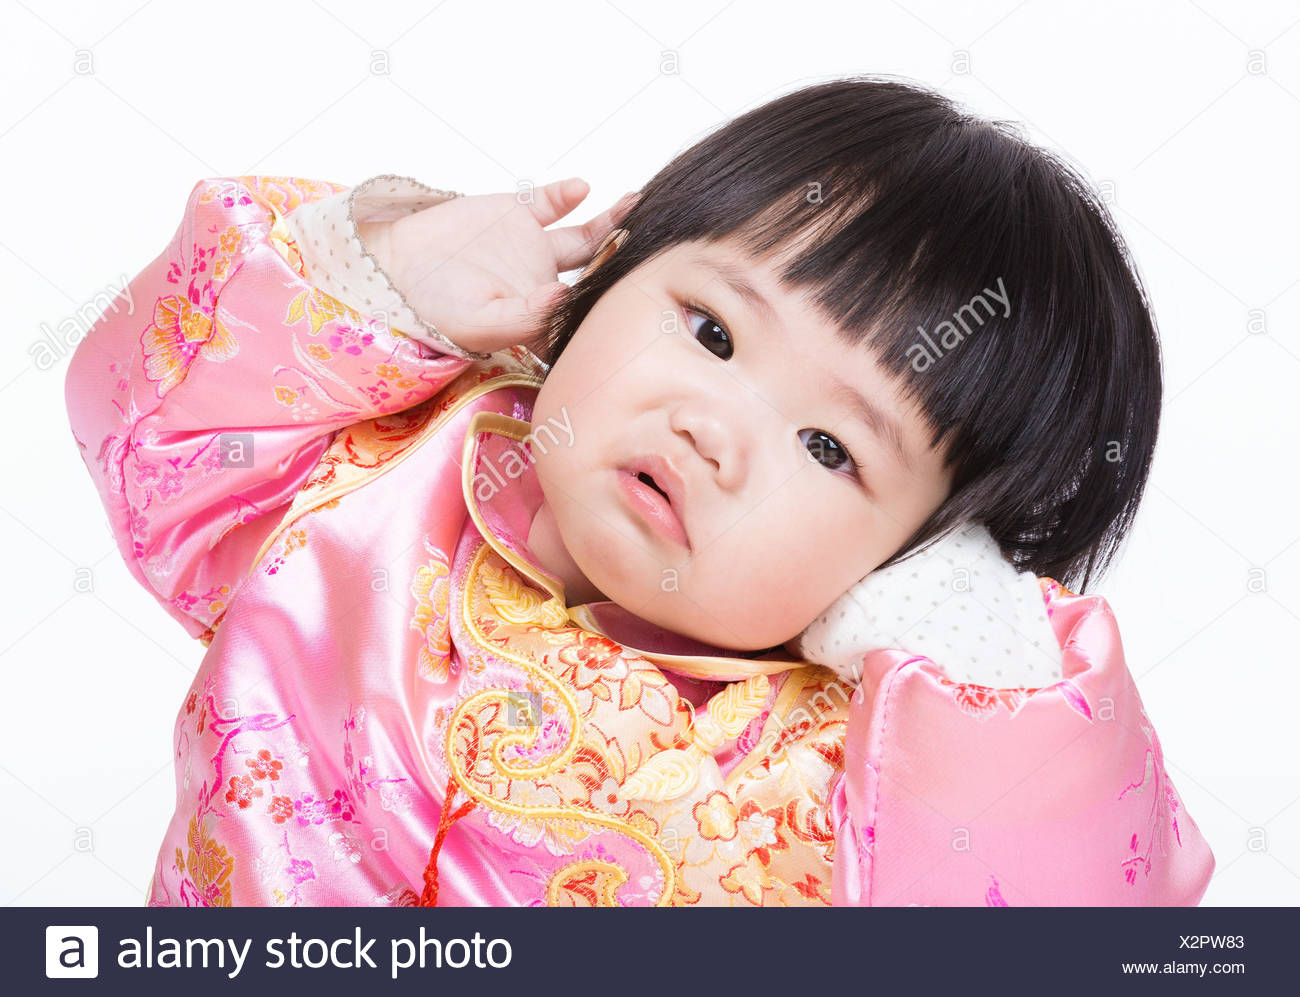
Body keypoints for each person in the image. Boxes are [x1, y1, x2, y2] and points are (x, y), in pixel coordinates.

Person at [64, 76, 1214, 906]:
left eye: (830, 449)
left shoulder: (862, 778)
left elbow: (1074, 923)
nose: (714, 429)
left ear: (917, 558)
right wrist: (380, 285)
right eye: (711, 330)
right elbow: (154, 428)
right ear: (608, 272)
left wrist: (989, 696)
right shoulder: (380, 469)